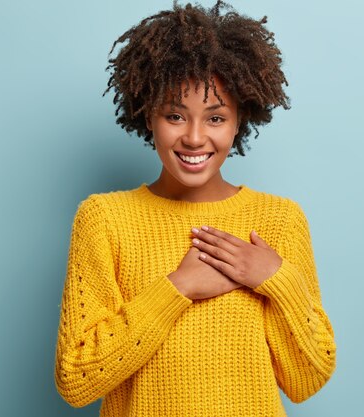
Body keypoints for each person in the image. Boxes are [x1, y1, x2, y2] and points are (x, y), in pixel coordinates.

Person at [53, 1, 336, 415]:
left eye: (216, 118)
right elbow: (76, 379)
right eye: (175, 115)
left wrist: (276, 279)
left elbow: (306, 379)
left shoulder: (280, 220)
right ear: (148, 115)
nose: (195, 137)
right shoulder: (105, 219)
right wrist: (177, 288)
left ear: (240, 120)